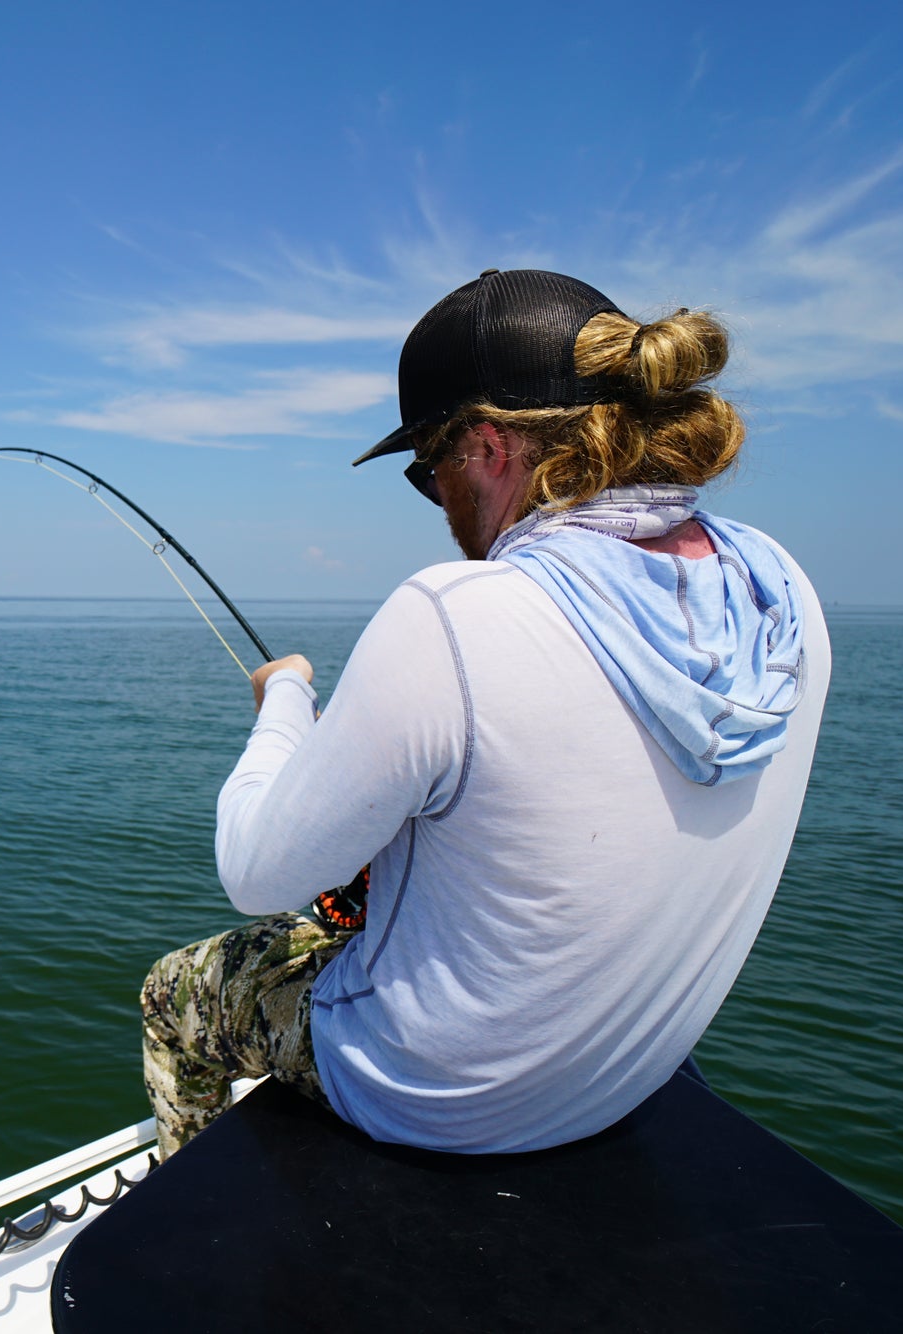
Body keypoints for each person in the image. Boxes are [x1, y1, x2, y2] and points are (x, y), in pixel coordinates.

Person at [140, 269, 830, 1159]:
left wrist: (285, 699)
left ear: (489, 449)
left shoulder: (457, 614)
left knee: (175, 993)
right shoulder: (780, 594)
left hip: (438, 1099)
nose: (440, 504)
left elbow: (255, 872)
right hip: (628, 1074)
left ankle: (189, 1232)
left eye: (430, 472)